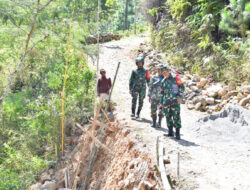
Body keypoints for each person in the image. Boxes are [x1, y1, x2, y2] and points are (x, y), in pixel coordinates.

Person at [161, 66, 185, 140]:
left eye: (166, 71)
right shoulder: (163, 81)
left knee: (176, 116)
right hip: (166, 102)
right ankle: (170, 132)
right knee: (168, 116)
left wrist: (180, 97)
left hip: (175, 101)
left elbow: (182, 87)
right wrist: (161, 103)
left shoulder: (176, 77)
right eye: (163, 72)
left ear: (168, 71)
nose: (165, 73)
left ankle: (177, 133)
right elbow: (162, 93)